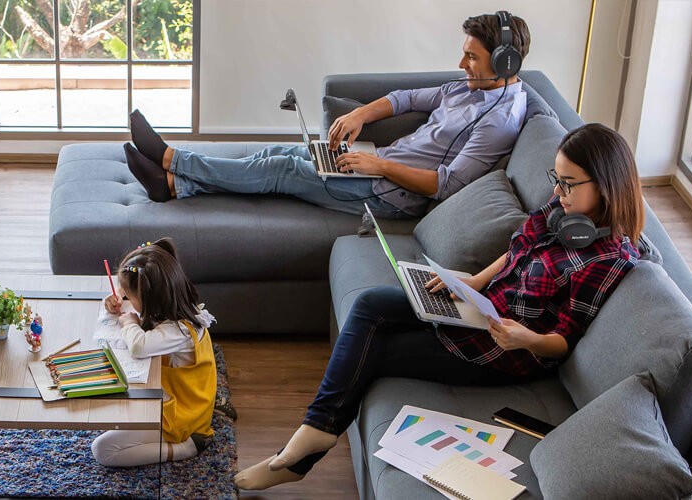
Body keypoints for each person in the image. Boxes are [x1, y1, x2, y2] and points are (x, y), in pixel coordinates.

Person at [233, 122, 645, 489]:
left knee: (375, 351)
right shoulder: (563, 212)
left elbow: (564, 339)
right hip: (480, 306)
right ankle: (312, 434)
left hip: (502, 350)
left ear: (606, 186)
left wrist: (525, 338)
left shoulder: (608, 260)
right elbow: (516, 251)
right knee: (370, 303)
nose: (557, 192)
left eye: (568, 184)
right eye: (556, 179)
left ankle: (304, 450)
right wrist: (471, 282)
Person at [124, 13, 530, 218]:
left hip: (390, 196)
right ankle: (174, 187)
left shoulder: (498, 119)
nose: (461, 64)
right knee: (277, 154)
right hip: (376, 168)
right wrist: (360, 115)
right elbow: (406, 98)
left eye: (471, 57)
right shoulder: (471, 86)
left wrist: (379, 166)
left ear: (504, 61)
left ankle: (173, 159)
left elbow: (446, 184)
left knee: (282, 169)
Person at [90, 238, 217, 467]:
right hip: (174, 396)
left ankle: (184, 448)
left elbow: (139, 346)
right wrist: (118, 299)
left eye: (130, 297)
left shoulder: (179, 331)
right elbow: (133, 293)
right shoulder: (171, 302)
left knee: (103, 450)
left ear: (150, 298)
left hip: (181, 414)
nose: (127, 300)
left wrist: (129, 322)